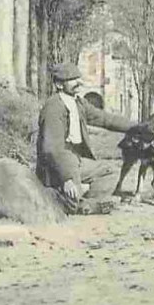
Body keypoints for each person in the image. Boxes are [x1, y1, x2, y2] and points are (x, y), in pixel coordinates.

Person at [36, 62, 132, 214]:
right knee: (69, 200)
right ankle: (71, 201)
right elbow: (52, 149)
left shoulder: (78, 103)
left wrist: (138, 127)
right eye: (72, 79)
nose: (78, 83)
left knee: (110, 172)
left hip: (77, 160)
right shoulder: (53, 107)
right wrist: (67, 178)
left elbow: (105, 119)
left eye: (78, 78)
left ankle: (87, 204)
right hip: (58, 163)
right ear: (59, 84)